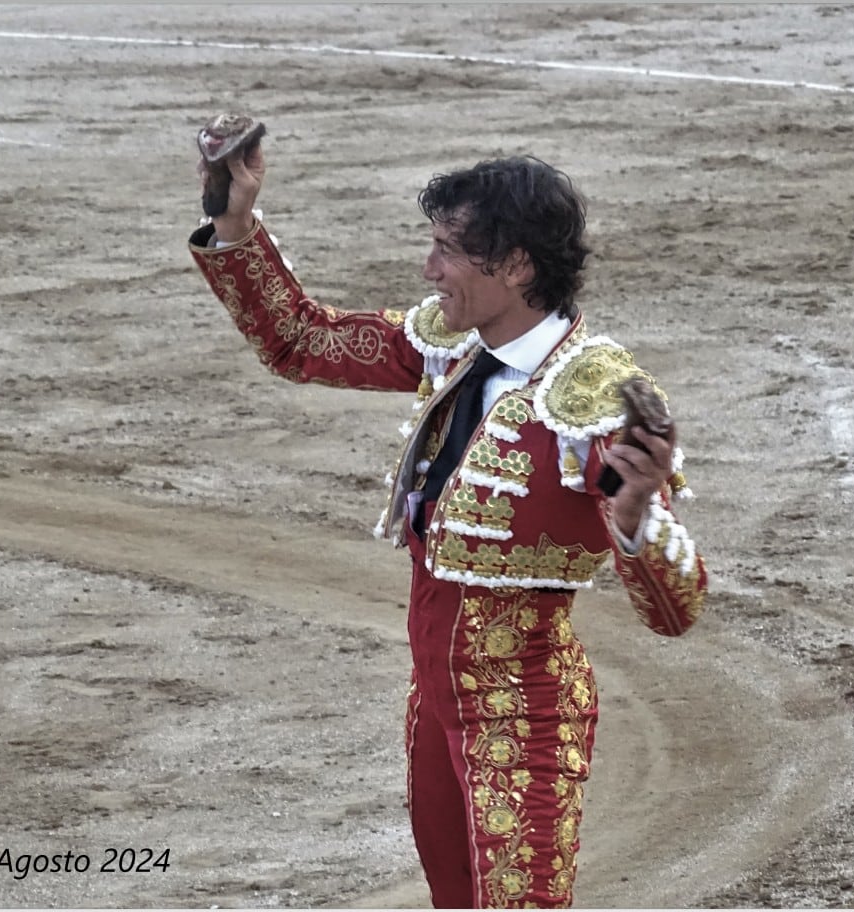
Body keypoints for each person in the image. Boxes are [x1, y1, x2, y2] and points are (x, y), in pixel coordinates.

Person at [187, 142, 708, 909]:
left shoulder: (597, 401)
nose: (429, 269)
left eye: (448, 251)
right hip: (435, 700)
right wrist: (236, 224)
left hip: (524, 714)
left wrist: (630, 517)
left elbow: (677, 608)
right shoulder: (457, 344)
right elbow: (302, 342)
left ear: (518, 267)